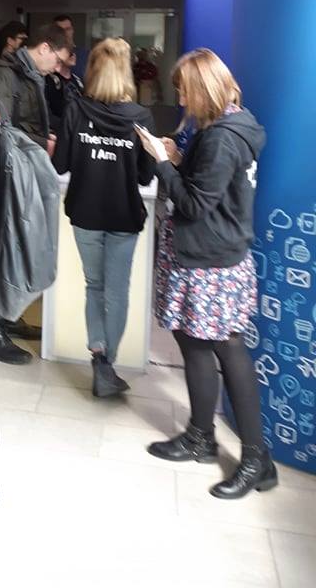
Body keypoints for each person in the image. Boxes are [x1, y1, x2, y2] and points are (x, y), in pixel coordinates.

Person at [136, 48, 277, 499]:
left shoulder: (221, 138)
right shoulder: (225, 127)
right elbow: (208, 187)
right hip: (207, 255)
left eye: (184, 91)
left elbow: (195, 205)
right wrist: (179, 159)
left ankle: (256, 459)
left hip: (211, 261)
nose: (180, 99)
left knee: (227, 351)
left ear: (203, 88)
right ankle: (201, 437)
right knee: (195, 344)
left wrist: (161, 162)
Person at [52, 38, 156, 396]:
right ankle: (107, 363)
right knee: (118, 290)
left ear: (93, 70)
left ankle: (98, 354)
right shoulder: (141, 118)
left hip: (85, 212)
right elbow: (145, 175)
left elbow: (60, 165)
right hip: (124, 215)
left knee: (94, 286)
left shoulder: (76, 110)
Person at [0, 23, 71, 364]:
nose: (58, 68)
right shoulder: (3, 75)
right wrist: (40, 143)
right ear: (44, 47)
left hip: (21, 168)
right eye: (58, 59)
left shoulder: (30, 74)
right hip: (6, 172)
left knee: (19, 245)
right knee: (5, 247)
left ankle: (8, 314)